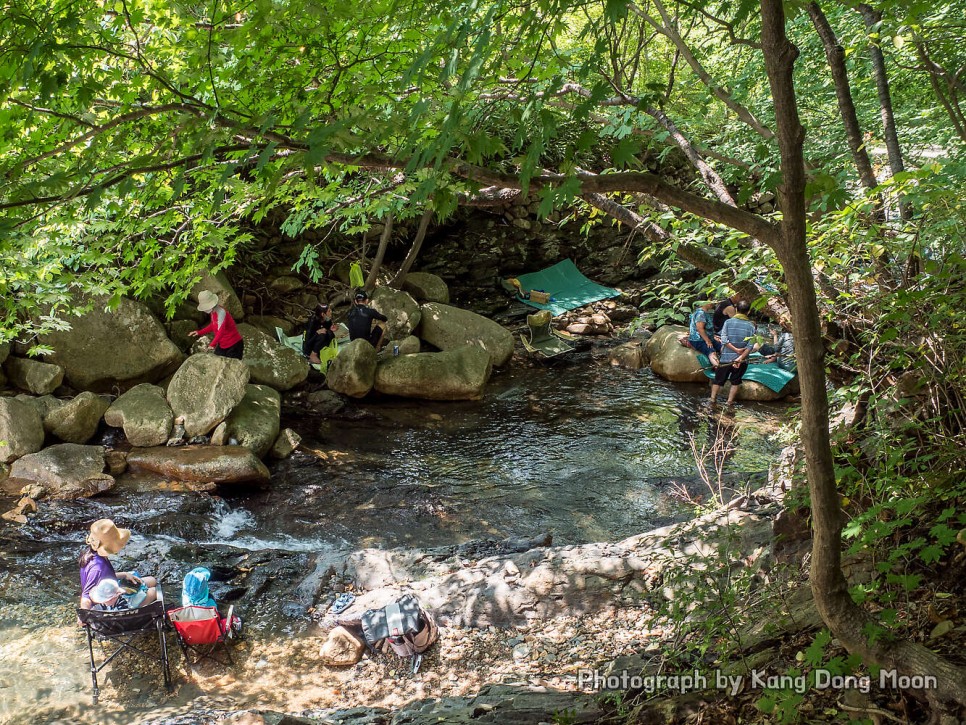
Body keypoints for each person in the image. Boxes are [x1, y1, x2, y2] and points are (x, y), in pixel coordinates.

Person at [79, 519, 157, 612]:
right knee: (153, 592)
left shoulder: (92, 554)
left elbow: (103, 578)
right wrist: (84, 615)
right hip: (109, 602)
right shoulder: (97, 568)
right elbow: (86, 596)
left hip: (111, 587)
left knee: (152, 580)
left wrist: (124, 574)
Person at [710, 300, 758, 405]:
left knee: (718, 380)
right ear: (748, 312)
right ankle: (729, 402)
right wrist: (740, 357)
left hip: (726, 358)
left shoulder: (728, 322)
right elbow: (750, 345)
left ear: (736, 309)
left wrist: (734, 349)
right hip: (742, 360)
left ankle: (712, 400)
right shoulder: (751, 326)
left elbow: (723, 340)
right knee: (735, 382)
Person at [189, 290, 244, 360]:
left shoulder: (221, 312)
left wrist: (212, 344)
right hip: (223, 345)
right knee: (215, 361)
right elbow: (213, 325)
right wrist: (199, 332)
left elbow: (221, 331)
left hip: (234, 345)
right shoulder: (213, 312)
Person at [688, 300, 721, 366]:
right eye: (710, 301)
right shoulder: (700, 313)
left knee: (722, 347)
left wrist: (713, 337)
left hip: (709, 338)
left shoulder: (705, 312)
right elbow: (700, 329)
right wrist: (707, 341)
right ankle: (718, 370)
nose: (712, 303)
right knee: (711, 352)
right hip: (699, 340)